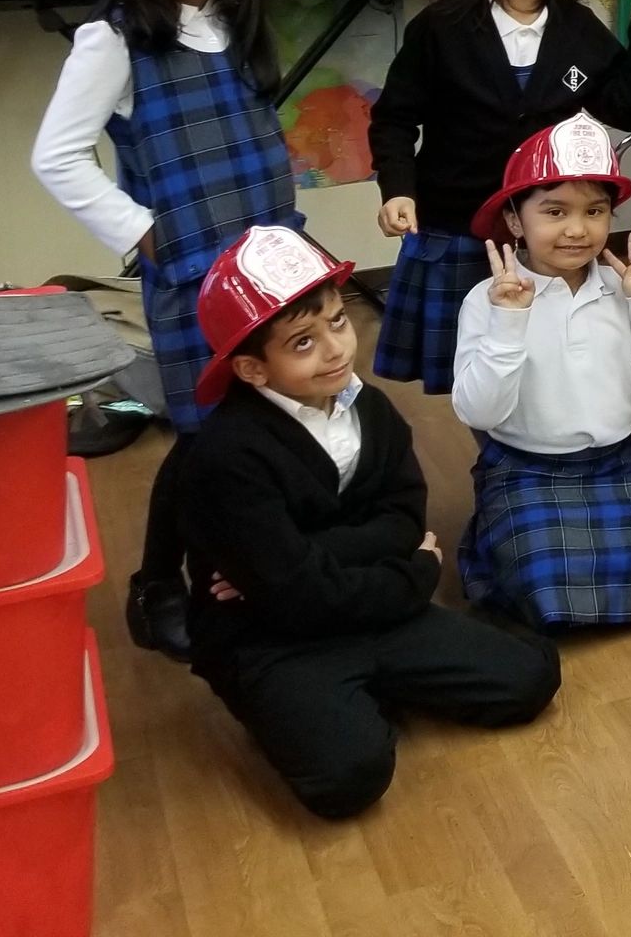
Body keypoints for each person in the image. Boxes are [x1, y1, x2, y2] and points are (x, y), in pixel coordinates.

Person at [179, 226, 560, 820]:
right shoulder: (228, 456)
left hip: (365, 611)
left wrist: (316, 553)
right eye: (302, 342)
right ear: (254, 370)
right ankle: (309, 700)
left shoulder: (372, 410)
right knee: (348, 779)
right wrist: (415, 574)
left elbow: (402, 519)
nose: (335, 349)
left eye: (337, 321)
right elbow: (297, 599)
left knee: (529, 677)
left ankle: (367, 684)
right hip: (272, 638)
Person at [31, 0, 297, 662]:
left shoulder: (233, 27)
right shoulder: (113, 39)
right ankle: (157, 584)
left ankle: (245, 570)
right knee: (204, 436)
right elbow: (56, 155)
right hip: (191, 272)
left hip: (272, 264)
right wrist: (140, 230)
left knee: (264, 425)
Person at [370, 0, 631, 394]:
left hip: (546, 232)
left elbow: (621, 109)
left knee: (540, 367)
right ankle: (499, 468)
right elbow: (393, 119)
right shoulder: (440, 28)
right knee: (473, 373)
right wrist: (396, 188)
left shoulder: (578, 28)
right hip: (455, 227)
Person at [450, 114, 631, 630]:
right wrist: (510, 321)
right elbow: (478, 410)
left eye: (595, 211)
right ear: (514, 220)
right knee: (544, 583)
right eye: (554, 211)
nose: (577, 229)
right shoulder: (486, 302)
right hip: (526, 467)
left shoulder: (627, 290)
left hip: (617, 462)